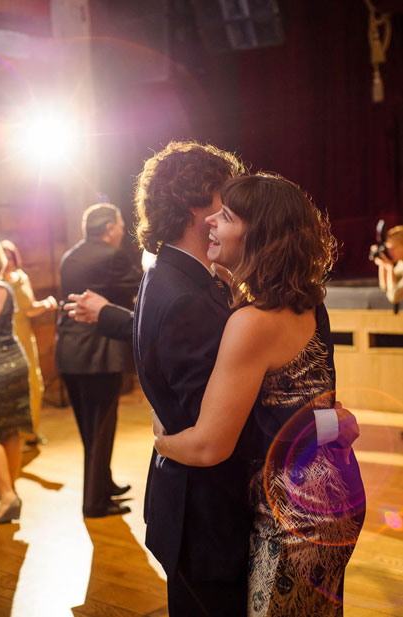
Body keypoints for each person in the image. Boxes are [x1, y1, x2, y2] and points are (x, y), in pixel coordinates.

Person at [127, 140, 356, 616]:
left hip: (284, 509)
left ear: (259, 233)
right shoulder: (306, 299)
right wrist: (331, 426)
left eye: (228, 215)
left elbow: (216, 441)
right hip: (317, 493)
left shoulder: (238, 309)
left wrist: (160, 439)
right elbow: (308, 402)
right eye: (220, 206)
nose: (215, 221)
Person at [55, 203, 138, 518]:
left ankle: (104, 484)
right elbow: (142, 285)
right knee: (102, 427)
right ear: (108, 229)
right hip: (99, 352)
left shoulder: (69, 255)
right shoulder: (111, 255)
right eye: (119, 224)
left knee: (89, 430)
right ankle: (94, 503)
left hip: (69, 351)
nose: (121, 230)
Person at [0, 239, 57, 444]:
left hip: (25, 334)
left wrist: (46, 304)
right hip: (5, 336)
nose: (7, 260)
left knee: (34, 382)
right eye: (3, 256)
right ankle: (14, 435)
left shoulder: (22, 278)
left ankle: (30, 431)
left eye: (10, 255)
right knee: (12, 386)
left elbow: (30, 308)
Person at [0, 240, 32, 524]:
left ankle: (6, 495)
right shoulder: (5, 289)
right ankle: (11, 493)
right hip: (16, 362)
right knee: (12, 429)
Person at [372, 224, 403, 305]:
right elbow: (385, 287)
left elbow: (394, 296)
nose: (389, 252)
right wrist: (382, 264)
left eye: (392, 248)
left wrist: (389, 268)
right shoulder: (401, 264)